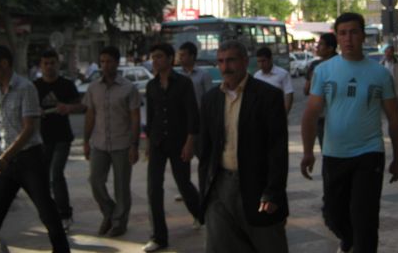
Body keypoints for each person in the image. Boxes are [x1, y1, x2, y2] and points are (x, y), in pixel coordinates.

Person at [300, 12, 398, 253]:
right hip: (334, 153)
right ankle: (349, 241)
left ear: (363, 36)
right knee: (333, 214)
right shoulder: (324, 71)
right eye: (343, 33)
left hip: (369, 153)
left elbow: (394, 118)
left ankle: (360, 245)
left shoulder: (380, 73)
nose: (348, 38)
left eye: (354, 32)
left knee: (365, 217)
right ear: (337, 37)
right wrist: (307, 152)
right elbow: (311, 113)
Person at [0, 45, 69, 253]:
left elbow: (29, 128)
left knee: (47, 212)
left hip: (29, 158)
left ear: (4, 64)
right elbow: (3, 125)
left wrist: (4, 158)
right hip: (7, 161)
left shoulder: (25, 88)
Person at [199, 40, 289, 253]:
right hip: (220, 187)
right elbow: (206, 148)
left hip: (257, 186)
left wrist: (273, 192)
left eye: (231, 60)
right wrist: (207, 189)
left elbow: (277, 149)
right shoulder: (211, 99)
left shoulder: (268, 96)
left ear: (245, 62)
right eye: (220, 61)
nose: (225, 67)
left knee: (268, 244)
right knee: (220, 246)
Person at [143, 43, 201, 252]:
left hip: (179, 142)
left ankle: (200, 214)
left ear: (170, 59)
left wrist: (190, 142)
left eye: (159, 56)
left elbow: (192, 114)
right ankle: (159, 236)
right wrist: (148, 143)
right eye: (153, 57)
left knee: (183, 183)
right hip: (158, 142)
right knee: (153, 189)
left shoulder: (184, 83)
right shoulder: (151, 86)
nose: (155, 61)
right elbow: (150, 117)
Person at [83, 46, 140, 237]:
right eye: (102, 61)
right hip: (99, 143)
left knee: (121, 186)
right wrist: (85, 141)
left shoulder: (128, 88)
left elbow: (135, 118)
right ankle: (109, 211)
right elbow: (90, 115)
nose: (105, 65)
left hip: (122, 143)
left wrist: (134, 145)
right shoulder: (93, 88)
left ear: (116, 63)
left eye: (109, 61)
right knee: (95, 181)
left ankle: (119, 223)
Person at [34, 49, 86, 231]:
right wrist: (36, 112)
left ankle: (65, 214)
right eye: (45, 63)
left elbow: (81, 106)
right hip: (41, 139)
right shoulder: (34, 86)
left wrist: (68, 108)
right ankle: (50, 214)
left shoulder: (66, 85)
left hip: (62, 137)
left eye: (52, 63)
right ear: (40, 66)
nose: (49, 67)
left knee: (56, 174)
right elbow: (26, 109)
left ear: (58, 64)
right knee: (43, 178)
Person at [303, 32, 338, 148]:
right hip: (321, 115)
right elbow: (306, 90)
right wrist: (313, 79)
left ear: (330, 48)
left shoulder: (341, 64)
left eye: (321, 44)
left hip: (338, 114)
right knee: (325, 148)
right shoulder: (315, 65)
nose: (317, 47)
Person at [254, 47, 295, 115]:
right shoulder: (256, 76)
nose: (261, 64)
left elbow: (289, 94)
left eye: (263, 61)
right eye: (259, 61)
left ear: (271, 59)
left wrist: (284, 114)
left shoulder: (283, 74)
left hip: (277, 113)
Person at [177, 41, 213, 110]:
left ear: (192, 56)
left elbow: (210, 98)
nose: (180, 58)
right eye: (180, 55)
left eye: (183, 55)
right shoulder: (178, 75)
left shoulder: (204, 75)